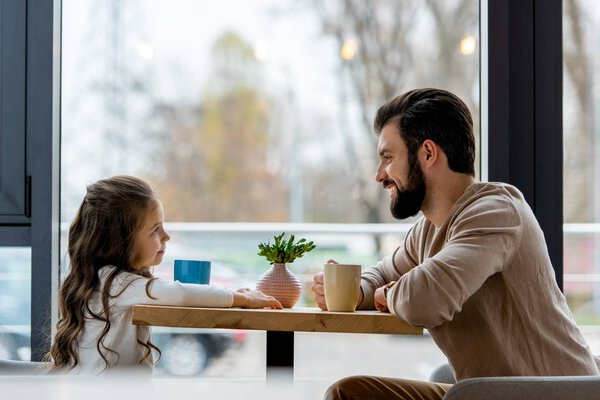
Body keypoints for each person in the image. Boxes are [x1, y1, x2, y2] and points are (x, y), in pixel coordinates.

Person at [312, 88, 600, 400]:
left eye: (388, 158)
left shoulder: (496, 213)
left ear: (427, 153)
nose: (379, 174)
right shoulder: (428, 229)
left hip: (552, 395)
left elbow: (424, 300)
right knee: (349, 393)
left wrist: (388, 293)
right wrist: (356, 291)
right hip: (489, 393)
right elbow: (384, 274)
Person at [48, 175, 282, 375]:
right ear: (119, 242)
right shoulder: (118, 283)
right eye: (155, 230)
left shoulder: (103, 280)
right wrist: (241, 299)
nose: (166, 236)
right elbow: (179, 294)